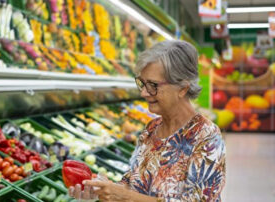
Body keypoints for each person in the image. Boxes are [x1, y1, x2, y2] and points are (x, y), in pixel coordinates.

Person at [68, 40, 226, 201]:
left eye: (152, 85)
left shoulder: (206, 136)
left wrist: (125, 197)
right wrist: (102, 189)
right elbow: (132, 184)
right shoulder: (151, 129)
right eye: (142, 83)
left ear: (182, 88)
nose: (144, 93)